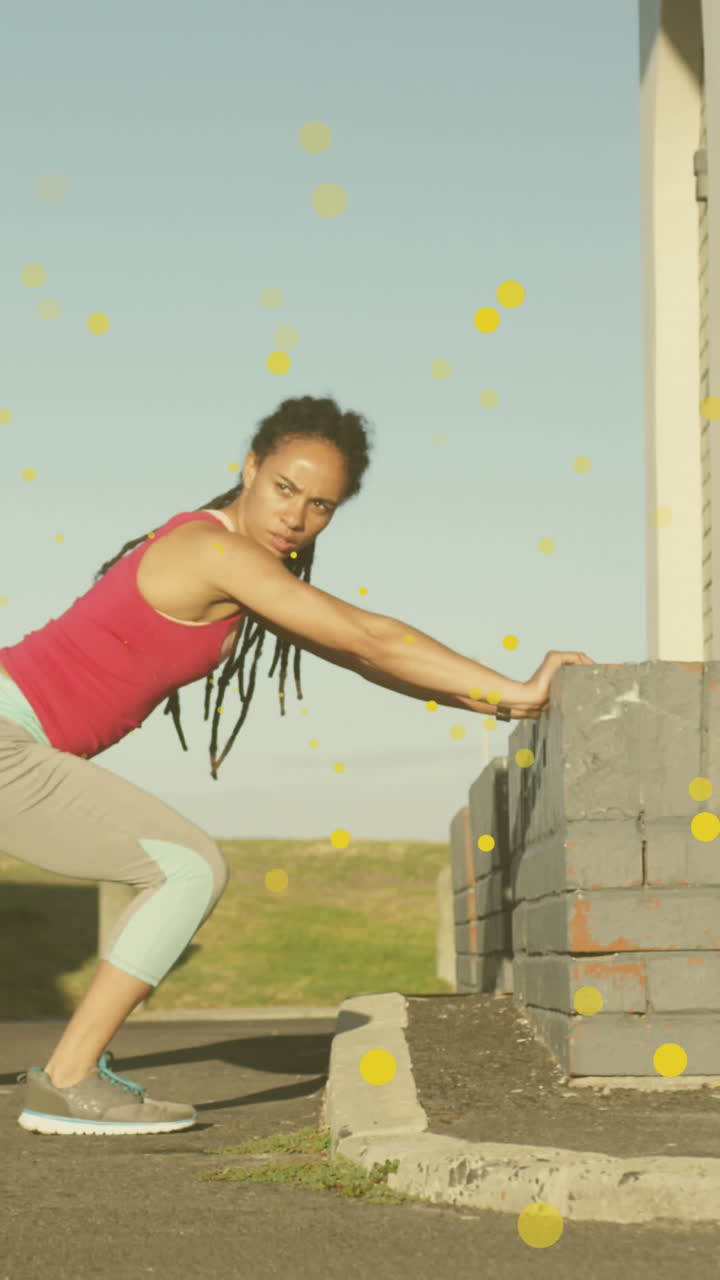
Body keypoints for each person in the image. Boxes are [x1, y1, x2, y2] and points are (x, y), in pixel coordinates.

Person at [3, 393, 576, 1137]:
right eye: (283, 488)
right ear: (248, 467)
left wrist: (498, 705)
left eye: (320, 505)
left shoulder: (234, 561)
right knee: (188, 867)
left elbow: (361, 658)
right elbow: (370, 636)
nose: (296, 516)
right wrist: (518, 687)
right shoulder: (217, 552)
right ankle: (70, 1080)